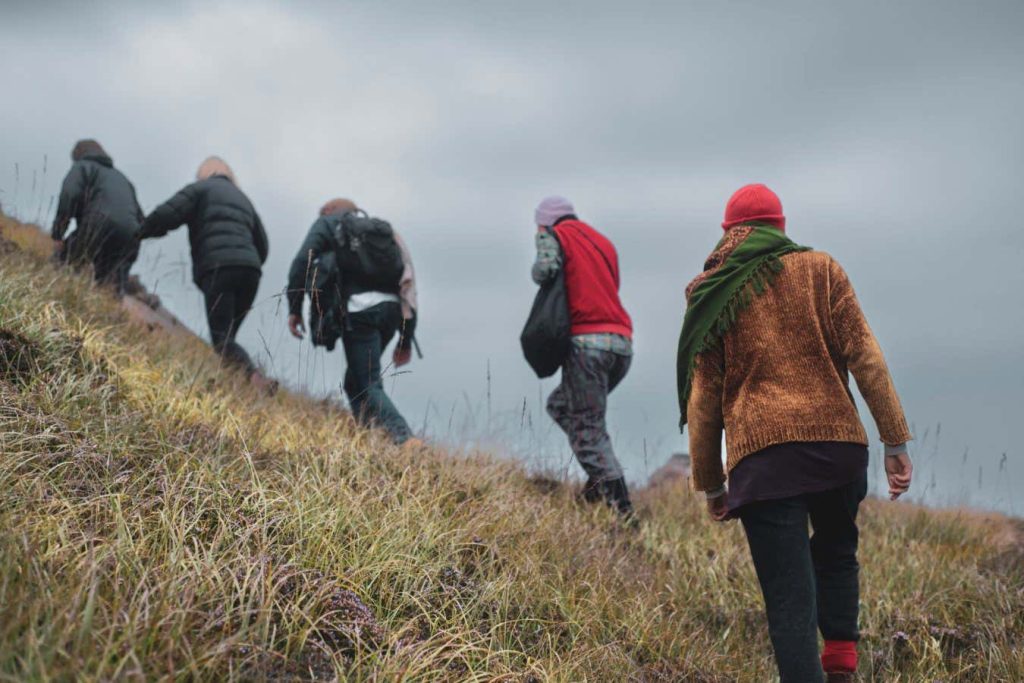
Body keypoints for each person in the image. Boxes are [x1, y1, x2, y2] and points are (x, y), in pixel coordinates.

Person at [678, 184, 914, 682]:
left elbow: (704, 399)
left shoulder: (713, 293)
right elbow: (866, 356)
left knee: (789, 598)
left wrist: (712, 482)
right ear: (781, 228)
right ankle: (842, 665)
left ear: (730, 235)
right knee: (836, 551)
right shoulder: (822, 269)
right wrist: (894, 440)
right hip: (838, 449)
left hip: (764, 462)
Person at [532, 196, 635, 518]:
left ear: (545, 222)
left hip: (587, 346)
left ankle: (623, 512)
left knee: (588, 427)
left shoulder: (553, 234)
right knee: (561, 405)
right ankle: (597, 488)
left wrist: (540, 255)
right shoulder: (603, 242)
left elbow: (544, 270)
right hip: (621, 344)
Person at [286, 198, 418, 445]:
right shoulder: (385, 232)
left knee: (368, 381)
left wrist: (294, 308)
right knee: (354, 381)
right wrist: (406, 337)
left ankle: (404, 438)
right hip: (392, 311)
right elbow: (409, 281)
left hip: (360, 311)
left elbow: (302, 261)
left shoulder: (327, 222)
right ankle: (371, 438)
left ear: (328, 210)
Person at [139, 157, 274, 391]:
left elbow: (168, 213)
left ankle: (254, 379)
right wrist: (247, 260)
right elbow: (263, 244)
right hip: (250, 272)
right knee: (227, 336)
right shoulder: (244, 200)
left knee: (222, 338)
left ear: (204, 173)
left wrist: (139, 231)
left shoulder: (201, 188)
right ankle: (233, 384)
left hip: (218, 268)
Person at [52, 139, 144, 295]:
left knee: (64, 263)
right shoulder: (123, 179)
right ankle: (108, 315)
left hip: (97, 225)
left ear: (77, 155)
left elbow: (69, 194)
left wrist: (58, 233)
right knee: (110, 287)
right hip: (131, 236)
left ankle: (55, 302)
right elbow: (141, 218)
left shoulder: (83, 166)